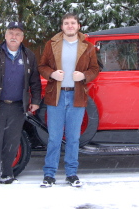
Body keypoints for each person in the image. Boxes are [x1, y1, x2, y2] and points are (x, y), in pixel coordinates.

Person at [0, 21, 41, 193]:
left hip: (19, 106)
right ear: (5, 35)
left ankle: (6, 174)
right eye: (11, 33)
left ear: (22, 38)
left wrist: (35, 101)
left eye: (18, 34)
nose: (14, 36)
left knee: (12, 141)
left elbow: (35, 81)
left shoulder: (28, 56)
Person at [38, 13, 100, 188]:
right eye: (66, 23)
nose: (70, 26)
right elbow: (42, 66)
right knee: (54, 138)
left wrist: (84, 75)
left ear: (78, 26)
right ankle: (49, 174)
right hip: (56, 96)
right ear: (62, 26)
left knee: (73, 138)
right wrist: (51, 74)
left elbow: (95, 69)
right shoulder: (52, 45)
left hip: (77, 96)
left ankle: (71, 174)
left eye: (73, 23)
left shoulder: (87, 47)